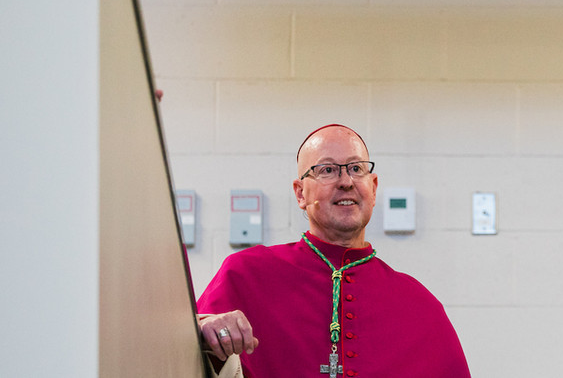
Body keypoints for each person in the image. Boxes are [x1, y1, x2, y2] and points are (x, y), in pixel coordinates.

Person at [196, 124, 471, 378]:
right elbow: (175, 352)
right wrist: (203, 326)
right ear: (300, 193)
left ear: (373, 189)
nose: (346, 181)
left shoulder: (420, 305)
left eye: (356, 169)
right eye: (327, 170)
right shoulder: (245, 274)